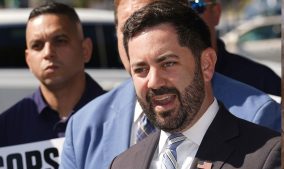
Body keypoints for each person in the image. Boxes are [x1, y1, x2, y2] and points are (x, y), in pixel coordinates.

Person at [59, 0, 280, 168]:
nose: (154, 82)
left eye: (168, 64)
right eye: (141, 69)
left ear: (207, 64)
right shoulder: (123, 163)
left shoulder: (267, 153)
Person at [0, 1, 105, 149]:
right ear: (28, 59)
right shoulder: (4, 129)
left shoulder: (122, 117)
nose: (48, 53)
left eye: (60, 41)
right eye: (37, 45)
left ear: (86, 49)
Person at [194, 0, 281, 96]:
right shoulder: (175, 83)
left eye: (195, 5)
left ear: (216, 12)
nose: (184, 16)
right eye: (177, 6)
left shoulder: (260, 80)